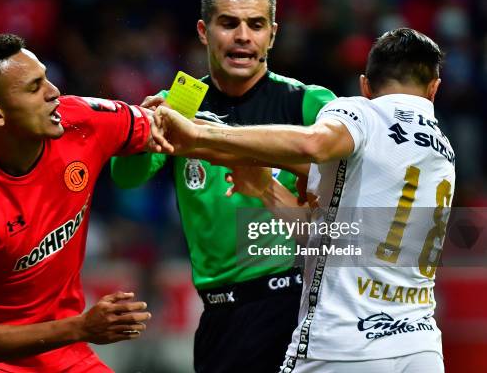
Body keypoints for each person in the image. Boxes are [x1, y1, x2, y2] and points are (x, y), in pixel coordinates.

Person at [152, 27, 454, 373]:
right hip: (420, 345)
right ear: (434, 89)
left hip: (343, 345)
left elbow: (315, 144)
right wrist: (268, 189)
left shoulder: (361, 113)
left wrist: (197, 133)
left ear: (365, 86)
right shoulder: (440, 148)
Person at [110, 0, 335, 373]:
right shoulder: (179, 102)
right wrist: (141, 133)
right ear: (203, 31)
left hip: (296, 304)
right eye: (228, 23)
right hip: (220, 316)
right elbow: (126, 177)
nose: (243, 36)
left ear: (273, 34)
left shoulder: (308, 102)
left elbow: (349, 201)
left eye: (256, 24)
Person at [0, 34, 156, 372]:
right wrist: (82, 327)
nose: (54, 92)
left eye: (46, 78)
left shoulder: (80, 120)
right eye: (34, 88)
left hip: (62, 351)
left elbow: (163, 123)